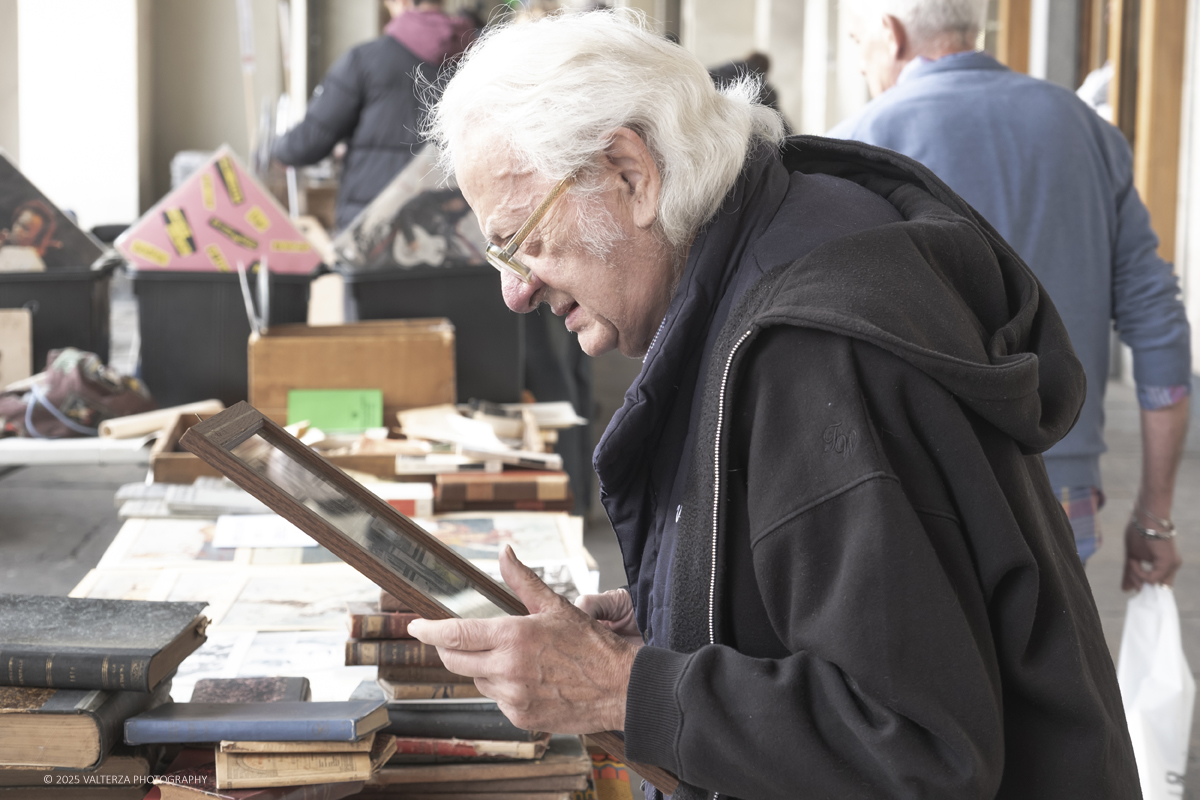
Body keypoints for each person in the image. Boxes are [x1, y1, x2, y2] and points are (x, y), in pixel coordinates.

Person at [405, 11, 1138, 799]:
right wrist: (677, 618)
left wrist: (622, 687)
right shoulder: (783, 232)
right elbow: (846, 602)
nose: (515, 291)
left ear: (630, 174)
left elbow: (918, 752)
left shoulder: (806, 355)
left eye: (525, 242)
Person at [829, 0, 1191, 592]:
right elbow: (1159, 328)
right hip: (1059, 481)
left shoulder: (855, 148)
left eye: (857, 41)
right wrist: (1154, 518)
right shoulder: (1089, 131)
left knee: (931, 679)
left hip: (911, 489)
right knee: (1058, 672)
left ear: (891, 37)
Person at [273, 0, 475, 231]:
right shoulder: (480, 58)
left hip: (372, 226)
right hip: (453, 223)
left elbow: (308, 143)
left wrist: (277, 149)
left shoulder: (365, 59)